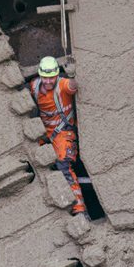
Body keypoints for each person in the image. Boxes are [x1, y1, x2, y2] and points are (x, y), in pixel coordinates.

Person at [29, 56, 85, 216]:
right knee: (36, 162)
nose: (48, 82)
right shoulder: (34, 86)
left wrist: (73, 76)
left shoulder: (62, 85)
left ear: (57, 75)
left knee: (63, 165)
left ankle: (79, 209)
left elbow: (72, 87)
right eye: (45, 78)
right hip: (44, 132)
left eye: (51, 77)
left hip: (62, 132)